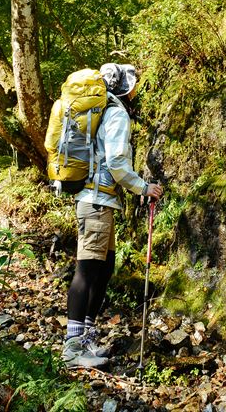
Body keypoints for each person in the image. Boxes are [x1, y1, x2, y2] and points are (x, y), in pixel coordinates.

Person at [61, 63, 163, 368]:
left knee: (102, 270)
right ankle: (72, 348)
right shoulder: (115, 113)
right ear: (123, 86)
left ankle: (85, 339)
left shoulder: (101, 113)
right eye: (134, 84)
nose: (137, 89)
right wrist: (144, 188)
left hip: (99, 203)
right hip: (96, 203)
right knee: (87, 271)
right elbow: (117, 162)